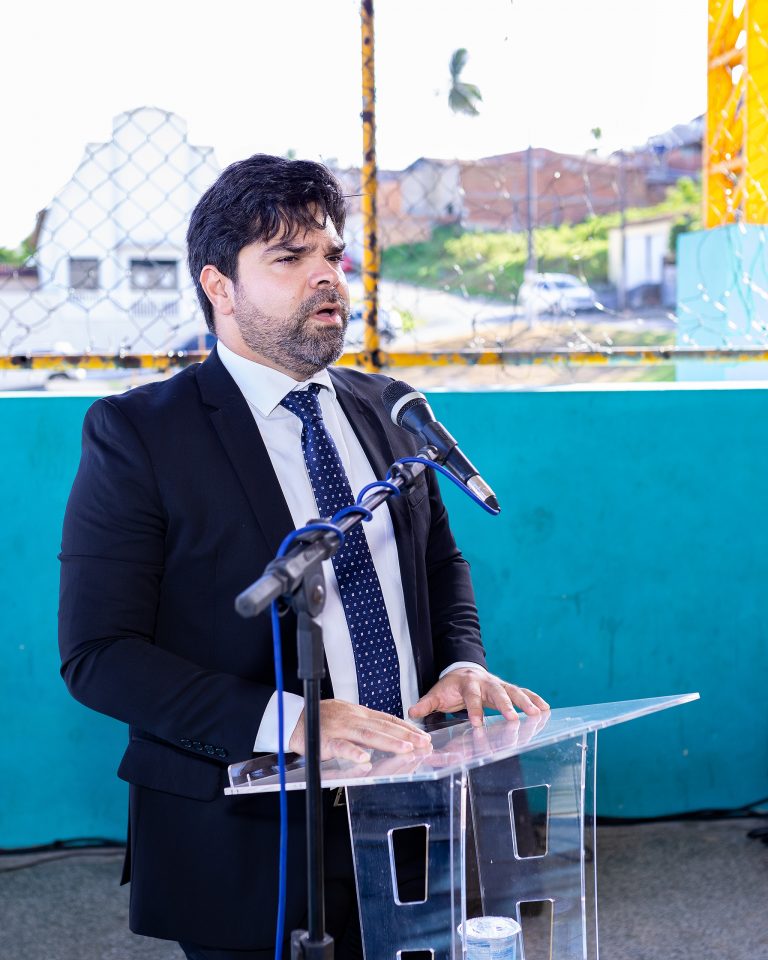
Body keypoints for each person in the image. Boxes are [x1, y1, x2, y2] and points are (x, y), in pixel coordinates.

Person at [58, 154, 549, 960]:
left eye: (331, 255)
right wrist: (293, 721)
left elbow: (438, 566)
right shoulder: (140, 434)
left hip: (419, 802)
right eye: (289, 258)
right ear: (219, 286)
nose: (326, 276)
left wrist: (463, 661)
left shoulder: (389, 409)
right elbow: (99, 655)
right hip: (252, 834)